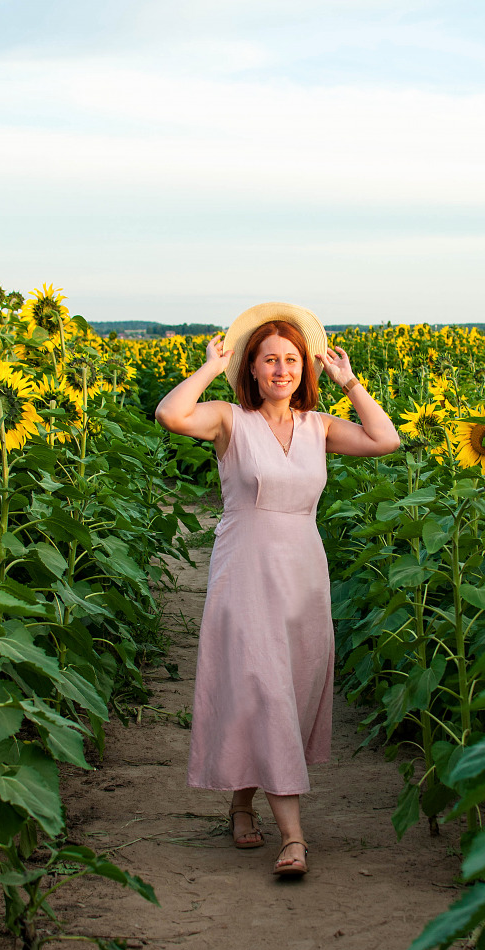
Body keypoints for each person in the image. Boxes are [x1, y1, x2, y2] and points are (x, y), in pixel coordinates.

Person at [155, 302, 399, 878]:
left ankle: (242, 801)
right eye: (269, 360)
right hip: (244, 571)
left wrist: (350, 381)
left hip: (303, 577)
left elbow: (386, 440)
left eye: (291, 360)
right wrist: (211, 367)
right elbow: (170, 413)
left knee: (283, 689)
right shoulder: (227, 420)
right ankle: (294, 839)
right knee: (263, 686)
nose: (281, 370)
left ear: (303, 369)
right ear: (253, 370)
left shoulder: (319, 428)